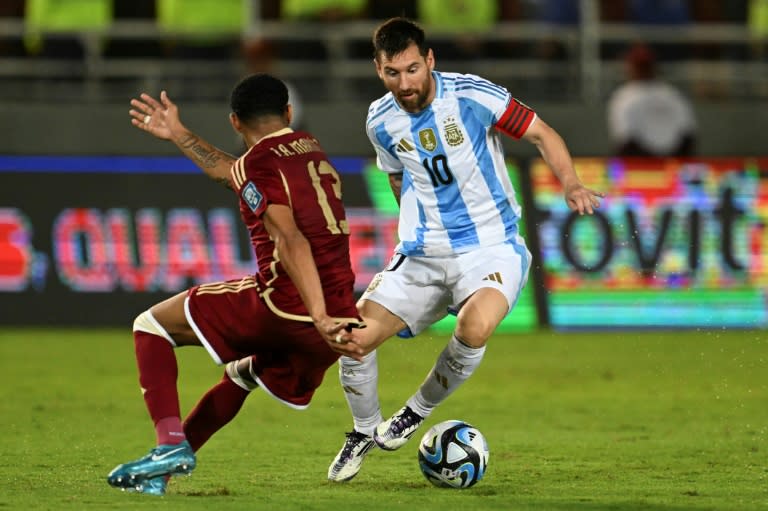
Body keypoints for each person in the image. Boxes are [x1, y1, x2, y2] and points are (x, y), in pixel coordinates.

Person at [323, 17, 604, 483]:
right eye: (393, 73)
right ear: (378, 69)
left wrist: (570, 183)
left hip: (491, 248)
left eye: (413, 69)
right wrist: (413, 223)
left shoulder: (473, 95)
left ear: (429, 61)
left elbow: (541, 133)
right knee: (352, 338)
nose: (405, 83)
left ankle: (413, 413)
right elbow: (395, 173)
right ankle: (361, 431)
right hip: (423, 252)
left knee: (476, 325)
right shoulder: (380, 119)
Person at [106, 73, 363, 496]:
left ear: (234, 122)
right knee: (241, 375)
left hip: (291, 306)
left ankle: (169, 445)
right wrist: (179, 134)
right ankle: (161, 475)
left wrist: (315, 314)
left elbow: (289, 238)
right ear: (288, 113)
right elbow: (234, 173)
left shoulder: (258, 164)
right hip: (339, 316)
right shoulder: (309, 148)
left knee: (150, 326)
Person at [607, 43, 698, 157]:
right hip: (667, 162)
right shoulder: (672, 94)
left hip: (645, 165)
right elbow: (688, 137)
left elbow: (624, 141)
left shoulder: (624, 97)